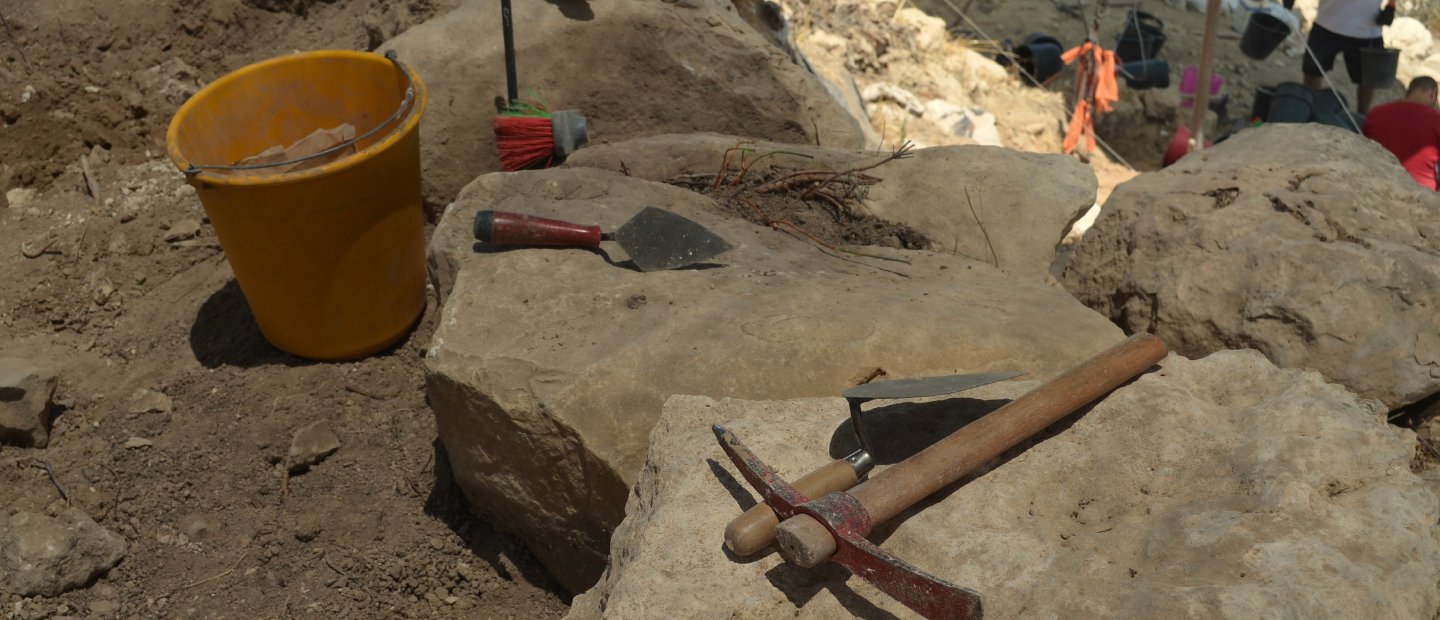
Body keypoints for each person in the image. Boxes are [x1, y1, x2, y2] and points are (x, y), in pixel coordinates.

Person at [1302, 0, 1395, 114]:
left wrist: (1391, 6)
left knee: (1368, 79)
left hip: (1367, 30)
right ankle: (1309, 109)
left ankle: (1362, 118)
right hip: (1327, 22)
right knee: (1312, 70)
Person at [1363, 76, 1440, 190]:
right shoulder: (1436, 119)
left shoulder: (1376, 112)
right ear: (1432, 94)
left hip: (1374, 182)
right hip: (1421, 191)